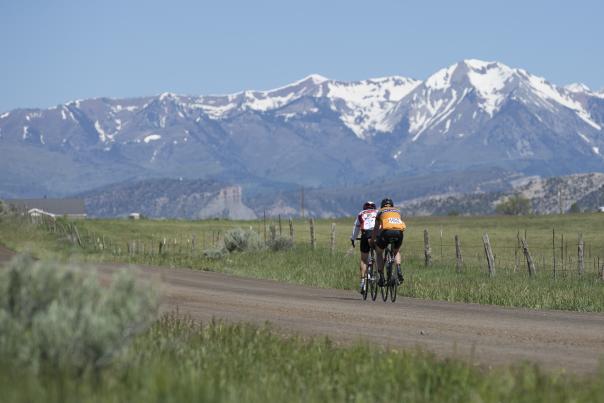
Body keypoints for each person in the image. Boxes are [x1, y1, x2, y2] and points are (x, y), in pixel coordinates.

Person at [371, 198, 406, 286]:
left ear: (382, 205)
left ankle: (382, 277)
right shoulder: (397, 211)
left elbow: (376, 228)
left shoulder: (380, 212)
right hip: (399, 232)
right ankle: (398, 268)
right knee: (396, 251)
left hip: (386, 232)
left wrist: (372, 240)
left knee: (379, 252)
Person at [350, 201, 377, 293]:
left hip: (365, 234)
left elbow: (356, 228)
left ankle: (362, 282)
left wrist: (353, 239)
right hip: (376, 234)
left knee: (363, 259)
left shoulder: (361, 213)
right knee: (379, 253)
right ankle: (378, 272)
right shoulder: (377, 213)